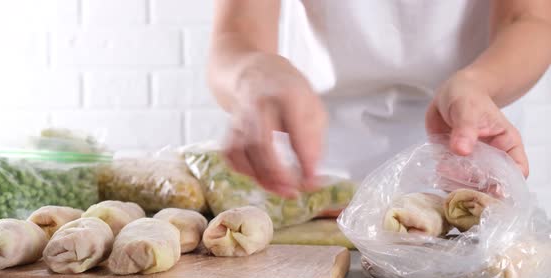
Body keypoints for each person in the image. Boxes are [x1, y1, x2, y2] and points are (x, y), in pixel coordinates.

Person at [207, 0, 551, 197]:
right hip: (304, 186)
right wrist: (255, 75)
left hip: (464, 172)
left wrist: (478, 84)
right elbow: (236, 32)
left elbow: (532, 19)